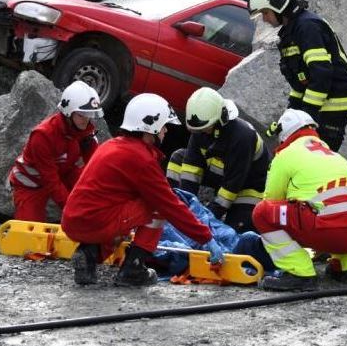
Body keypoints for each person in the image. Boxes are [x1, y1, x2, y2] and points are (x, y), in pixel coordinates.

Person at [61, 93, 225, 286]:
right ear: (150, 128)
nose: (165, 131)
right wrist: (206, 237)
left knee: (125, 215)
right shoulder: (141, 159)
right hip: (95, 223)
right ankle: (133, 268)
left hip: (74, 220)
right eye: (163, 125)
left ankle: (89, 254)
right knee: (156, 207)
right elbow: (170, 204)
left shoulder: (111, 145)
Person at [254, 109, 347, 291]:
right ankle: (344, 268)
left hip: (334, 232)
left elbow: (271, 199)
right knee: (337, 208)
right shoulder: (331, 154)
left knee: (262, 213)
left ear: (284, 134)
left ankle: (299, 273)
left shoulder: (286, 155)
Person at [248, 0, 347, 151]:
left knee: (316, 155)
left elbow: (322, 73)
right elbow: (301, 81)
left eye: (265, 12)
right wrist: (290, 113)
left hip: (336, 101)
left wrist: (306, 115)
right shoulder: (293, 30)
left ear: (278, 5)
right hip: (326, 99)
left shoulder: (306, 26)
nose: (264, 19)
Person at [173, 87, 269, 233]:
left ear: (220, 119)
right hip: (221, 176)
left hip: (248, 187)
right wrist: (183, 208)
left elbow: (233, 184)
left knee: (236, 231)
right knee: (178, 158)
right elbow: (191, 167)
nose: (202, 134)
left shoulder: (243, 136)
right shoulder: (201, 127)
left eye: (206, 129)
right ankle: (171, 204)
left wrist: (209, 216)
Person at [8, 81, 102, 222]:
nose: (86, 120)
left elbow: (96, 166)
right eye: (81, 115)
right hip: (31, 183)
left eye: (89, 115)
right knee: (30, 232)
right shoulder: (43, 136)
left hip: (63, 173)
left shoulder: (85, 132)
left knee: (93, 193)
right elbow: (51, 181)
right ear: (68, 113)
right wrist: (70, 209)